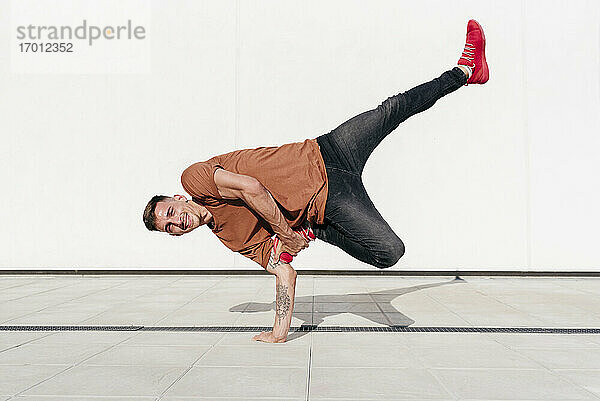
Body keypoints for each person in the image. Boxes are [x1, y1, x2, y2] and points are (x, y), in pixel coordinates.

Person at [142, 20, 489, 343]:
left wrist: (287, 233)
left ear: (177, 198)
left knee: (392, 108)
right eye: (169, 228)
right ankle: (319, 228)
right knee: (389, 253)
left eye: (170, 212)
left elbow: (252, 189)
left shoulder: (194, 180)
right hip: (330, 201)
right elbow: (283, 272)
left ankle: (464, 70)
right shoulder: (231, 238)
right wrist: (279, 331)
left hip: (328, 150)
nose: (176, 222)